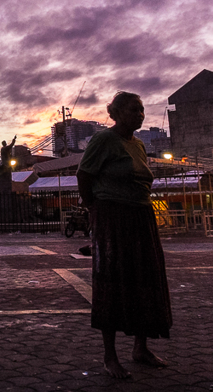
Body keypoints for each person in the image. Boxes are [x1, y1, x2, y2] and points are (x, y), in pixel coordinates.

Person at [76, 91, 172, 380]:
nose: (140, 114)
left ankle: (140, 348)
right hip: (113, 216)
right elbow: (84, 174)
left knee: (144, 277)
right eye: (133, 109)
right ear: (116, 113)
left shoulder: (139, 145)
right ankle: (110, 356)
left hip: (141, 215)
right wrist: (93, 207)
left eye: (142, 109)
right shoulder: (104, 140)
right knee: (112, 280)